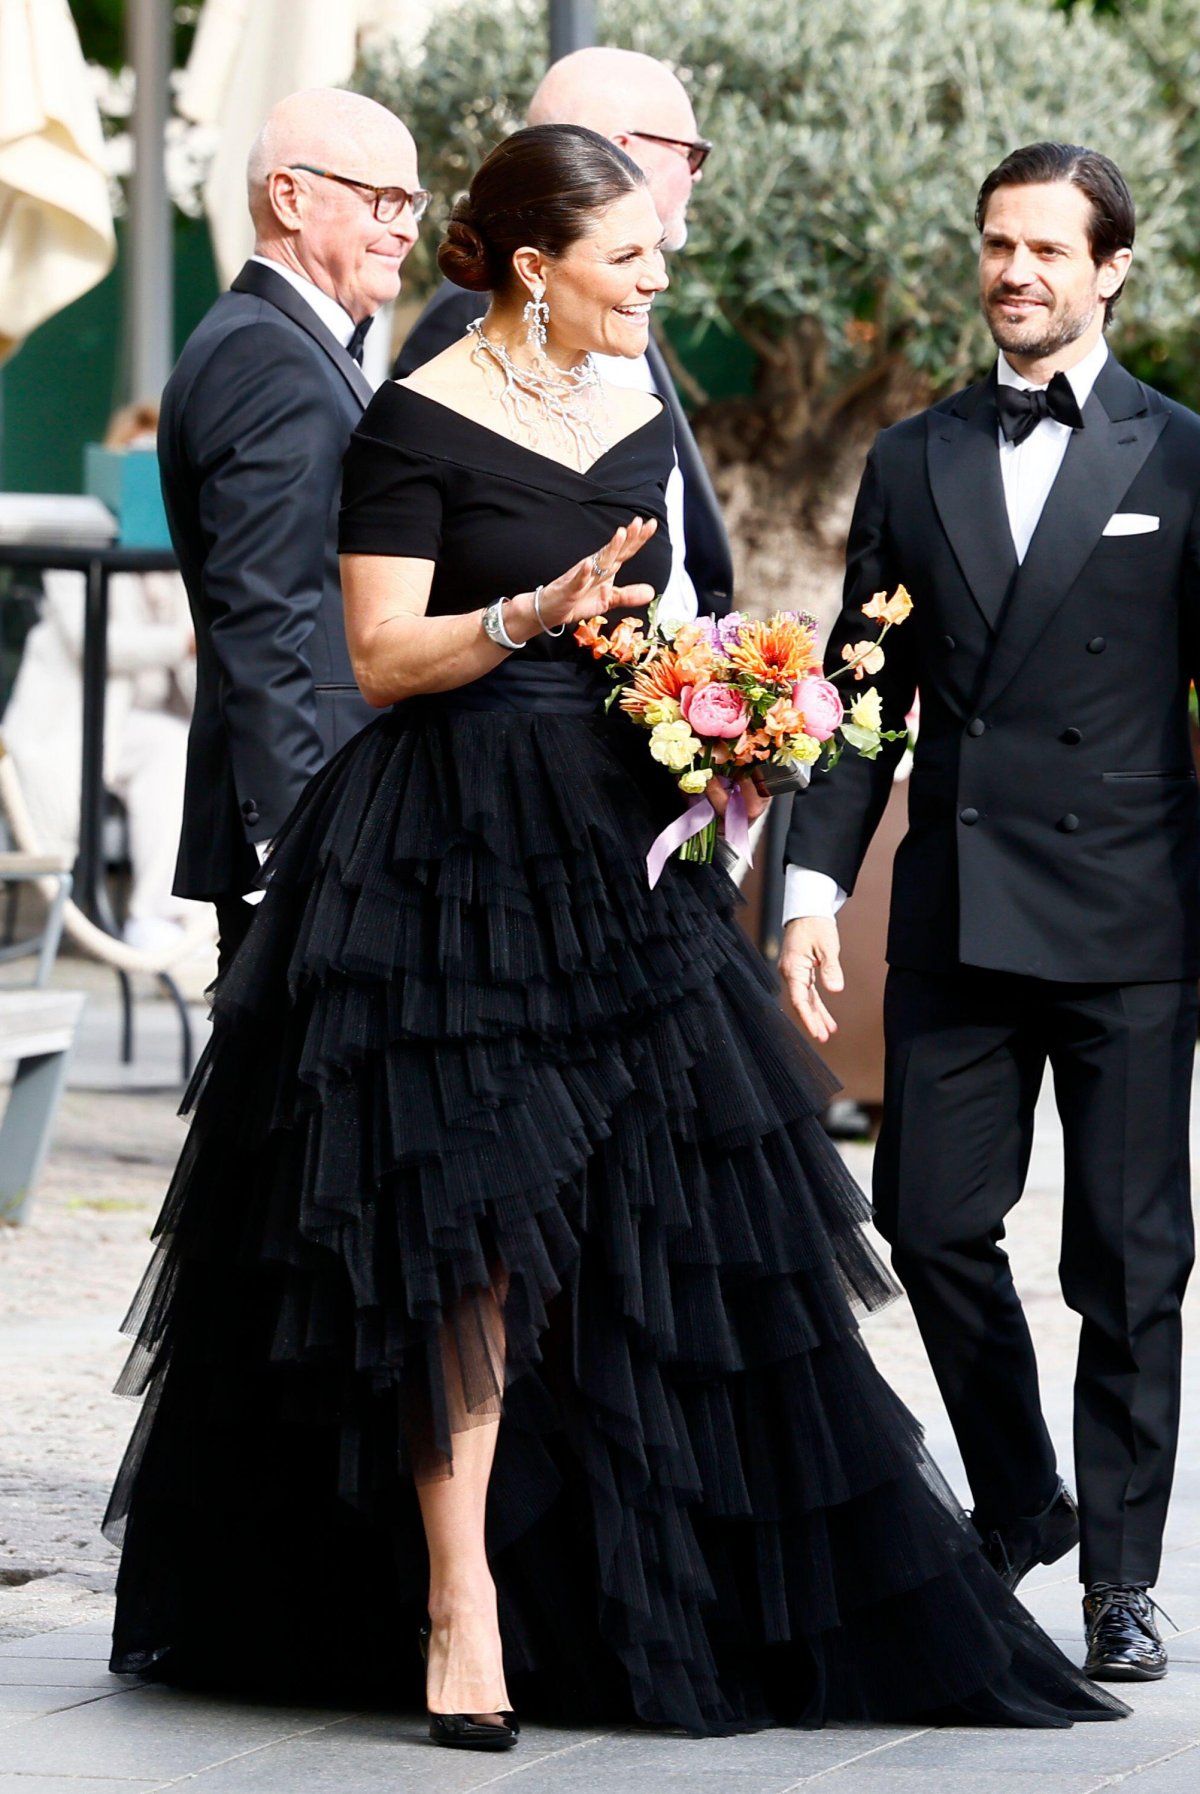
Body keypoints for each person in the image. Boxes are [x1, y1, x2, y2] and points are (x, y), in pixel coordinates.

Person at [104, 126, 1124, 1747]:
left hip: (619, 844)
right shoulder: (416, 417)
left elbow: (651, 622)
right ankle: (458, 1600)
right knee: (476, 1227)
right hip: (449, 850)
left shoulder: (637, 396)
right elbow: (375, 652)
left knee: (659, 1228)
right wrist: (528, 615)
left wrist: (719, 706)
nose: (660, 277)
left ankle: (624, 1574)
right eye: (630, 255)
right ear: (535, 264)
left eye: (659, 253)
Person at [782, 142, 1199, 1685]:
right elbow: (860, 692)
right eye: (995, 246)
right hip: (959, 915)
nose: (1014, 272)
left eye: (1045, 249)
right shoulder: (911, 458)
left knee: (1130, 1258)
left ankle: (1128, 1578)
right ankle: (1029, 1496)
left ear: (1111, 272)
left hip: (1135, 919)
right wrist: (814, 880)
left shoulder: (1182, 456)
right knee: (931, 1222)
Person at [158, 87, 426, 973]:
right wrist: (297, 847)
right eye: (383, 200)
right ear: (289, 197)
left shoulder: (283, 344)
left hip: (329, 815)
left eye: (414, 204)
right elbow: (262, 619)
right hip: (312, 833)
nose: (405, 228)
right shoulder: (266, 354)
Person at [396, 46, 733, 626]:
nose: (697, 176)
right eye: (691, 153)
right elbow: (436, 557)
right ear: (625, 152)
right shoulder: (476, 319)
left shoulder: (621, 306)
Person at [1, 403, 207, 956]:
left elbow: (193, 685)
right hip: (73, 720)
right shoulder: (78, 545)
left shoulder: (184, 550)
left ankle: (157, 915)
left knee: (174, 747)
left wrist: (179, 600)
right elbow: (96, 644)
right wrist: (180, 639)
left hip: (140, 724)